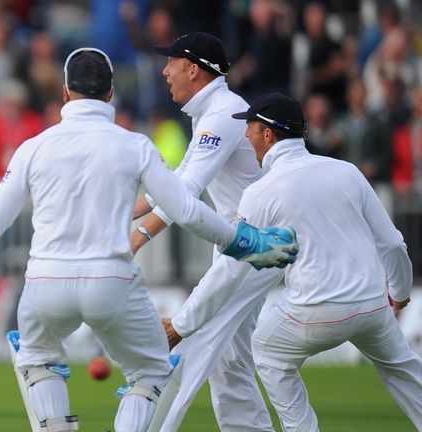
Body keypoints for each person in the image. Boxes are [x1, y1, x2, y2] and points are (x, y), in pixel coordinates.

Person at [0, 48, 298, 432]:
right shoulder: (135, 144)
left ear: (65, 93)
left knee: (36, 358)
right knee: (152, 369)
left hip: (44, 285)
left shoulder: (33, 147)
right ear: (110, 94)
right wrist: (247, 243)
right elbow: (187, 210)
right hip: (113, 284)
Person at [165, 93, 422, 431]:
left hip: (314, 312)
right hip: (372, 306)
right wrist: (399, 290)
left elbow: (230, 269)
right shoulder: (346, 171)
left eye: (251, 128)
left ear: (268, 134)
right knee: (404, 369)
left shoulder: (261, 192)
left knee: (267, 351)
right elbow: (391, 242)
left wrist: (183, 324)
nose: (246, 136)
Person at [130, 32, 274, 431]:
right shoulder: (209, 113)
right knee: (229, 360)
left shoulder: (225, 114)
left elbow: (186, 195)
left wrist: (137, 238)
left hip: (254, 244)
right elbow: (176, 184)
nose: (164, 71)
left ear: (192, 69)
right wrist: (119, 214)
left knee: (200, 342)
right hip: (238, 243)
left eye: (170, 63)